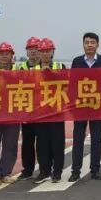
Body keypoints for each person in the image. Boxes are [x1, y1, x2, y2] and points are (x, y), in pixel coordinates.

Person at [69, 32, 101, 181]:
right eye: (86, 42)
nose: (89, 45)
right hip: (80, 107)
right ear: (83, 45)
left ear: (97, 45)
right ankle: (75, 171)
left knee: (97, 139)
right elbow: (72, 84)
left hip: (97, 107)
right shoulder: (77, 61)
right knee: (78, 140)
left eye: (92, 42)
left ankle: (95, 170)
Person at [0, 42, 21, 185]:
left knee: (10, 144)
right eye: (1, 54)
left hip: (13, 113)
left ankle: (5, 173)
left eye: (7, 53)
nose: (4, 56)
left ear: (12, 55)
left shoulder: (19, 71)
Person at [33, 38, 67, 183]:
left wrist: (51, 73)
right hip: (40, 111)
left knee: (57, 142)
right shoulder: (33, 70)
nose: (45, 54)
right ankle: (44, 171)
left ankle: (57, 171)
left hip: (56, 110)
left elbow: (67, 84)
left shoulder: (60, 66)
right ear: (38, 53)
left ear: (52, 52)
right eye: (42, 51)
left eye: (48, 51)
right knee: (41, 143)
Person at [16, 37, 43, 179]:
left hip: (43, 110)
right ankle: (27, 169)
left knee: (43, 141)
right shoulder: (21, 68)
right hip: (27, 110)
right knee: (27, 141)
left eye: (36, 49)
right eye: (30, 49)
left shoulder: (46, 66)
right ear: (26, 52)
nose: (33, 51)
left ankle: (44, 168)